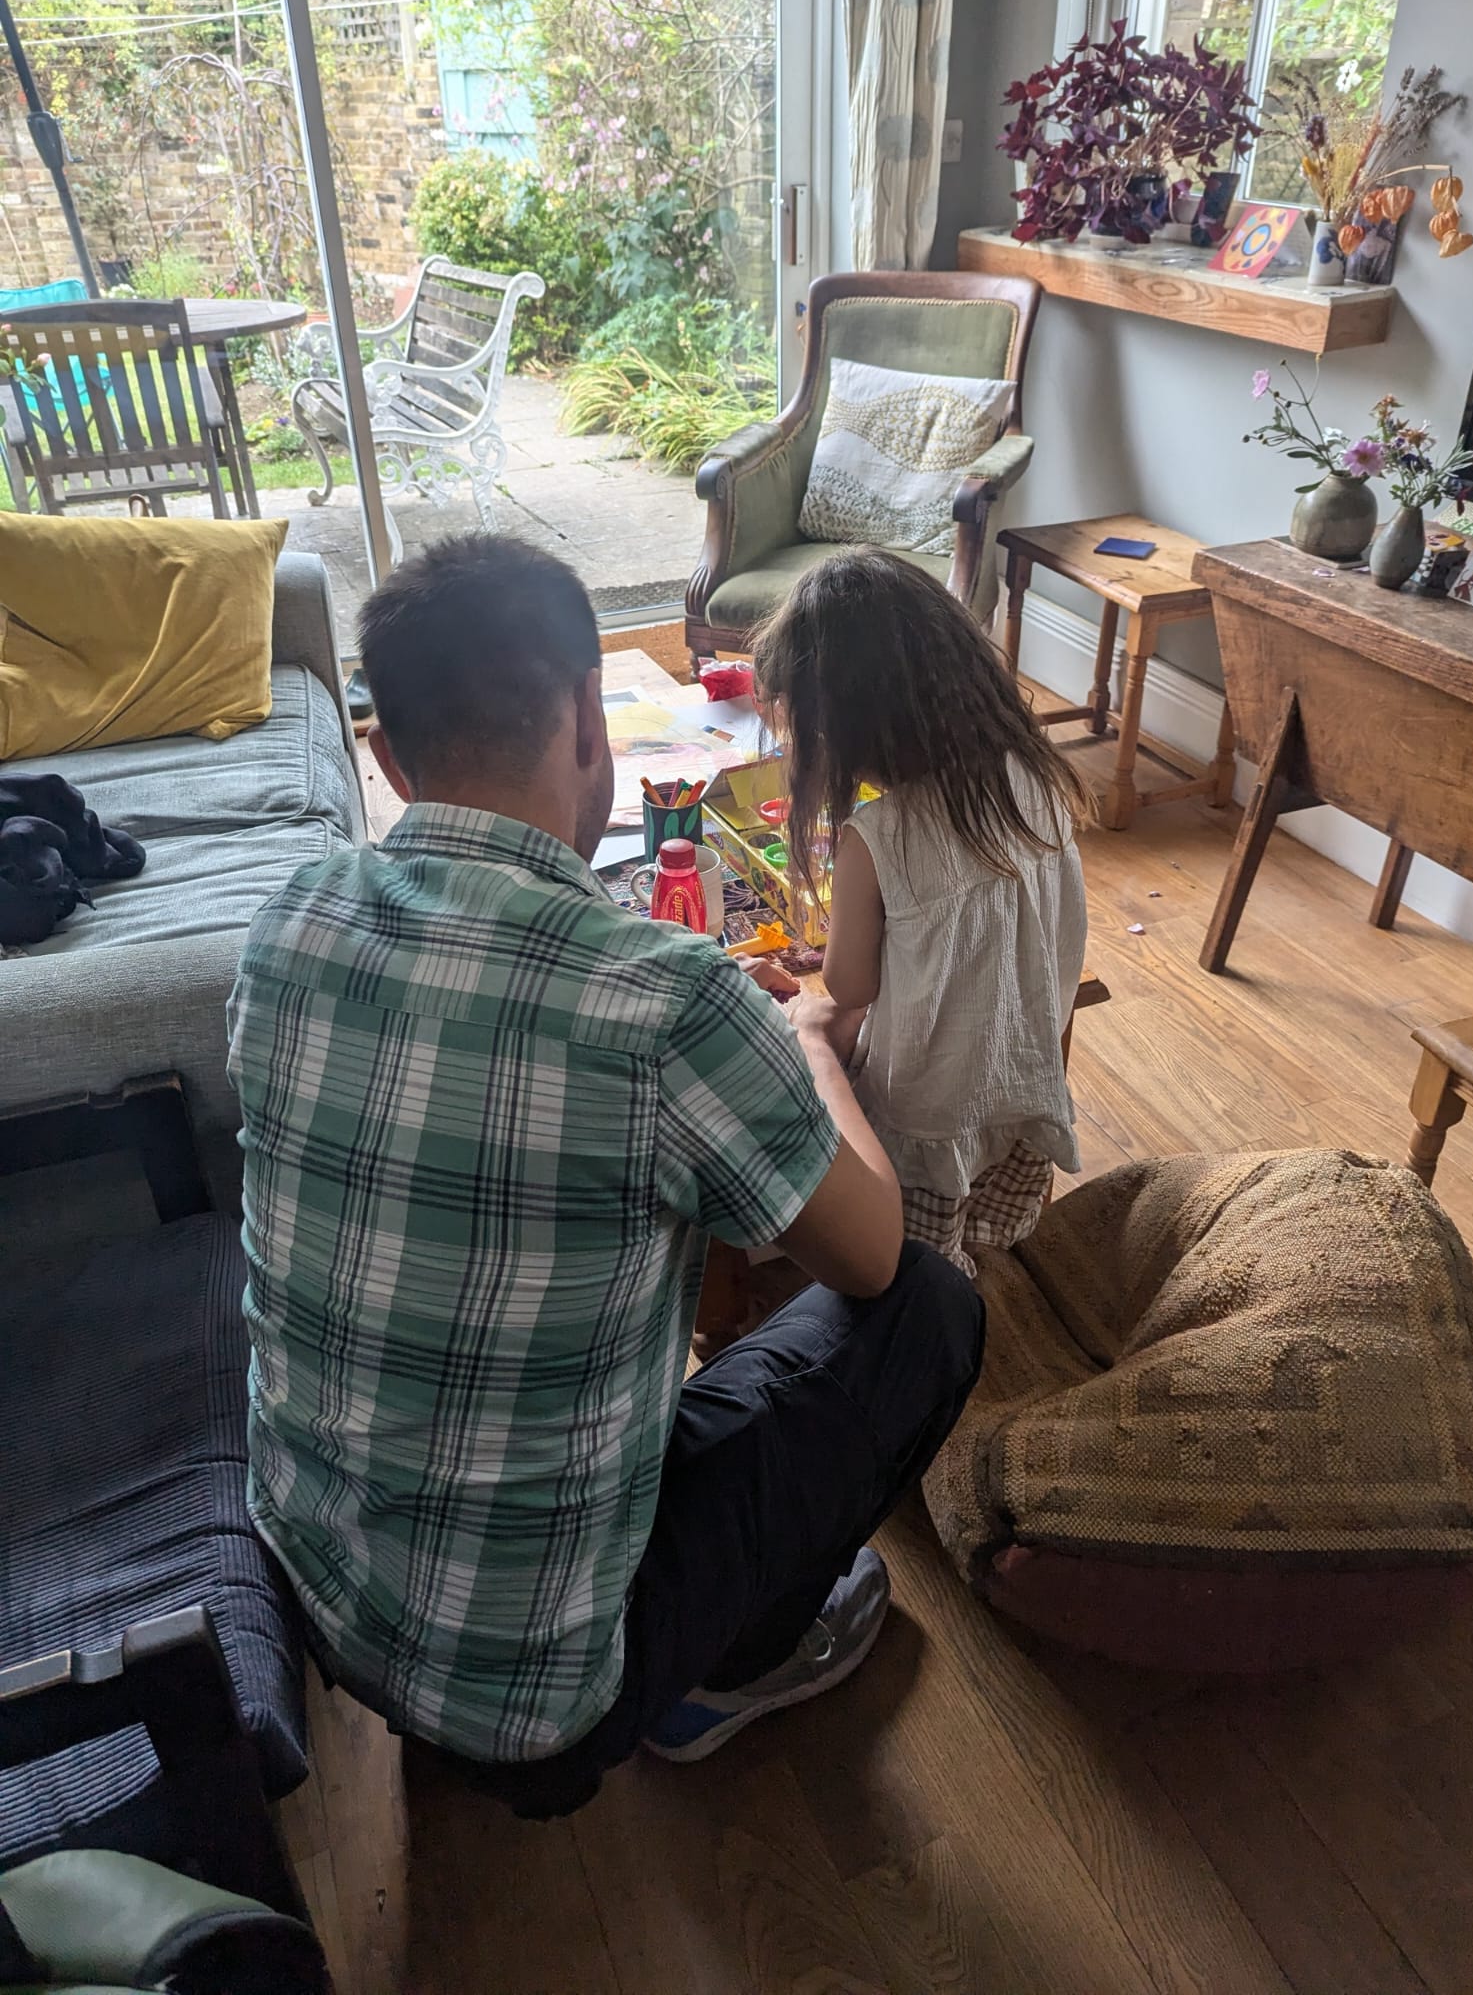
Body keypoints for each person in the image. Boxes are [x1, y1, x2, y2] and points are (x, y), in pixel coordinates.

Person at [226, 534, 984, 1819]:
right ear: (591, 712)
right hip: (541, 1710)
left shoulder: (287, 919)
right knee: (934, 1303)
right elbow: (871, 1248)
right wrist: (803, 1047)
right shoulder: (667, 1000)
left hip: (315, 1604)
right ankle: (718, 1673)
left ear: (389, 758)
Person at [753, 545, 1090, 1278]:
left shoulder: (879, 838)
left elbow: (847, 990)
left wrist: (805, 1017)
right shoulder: (1035, 777)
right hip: (1023, 1092)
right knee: (990, 1269)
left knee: (917, 1295)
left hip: (923, 1133)